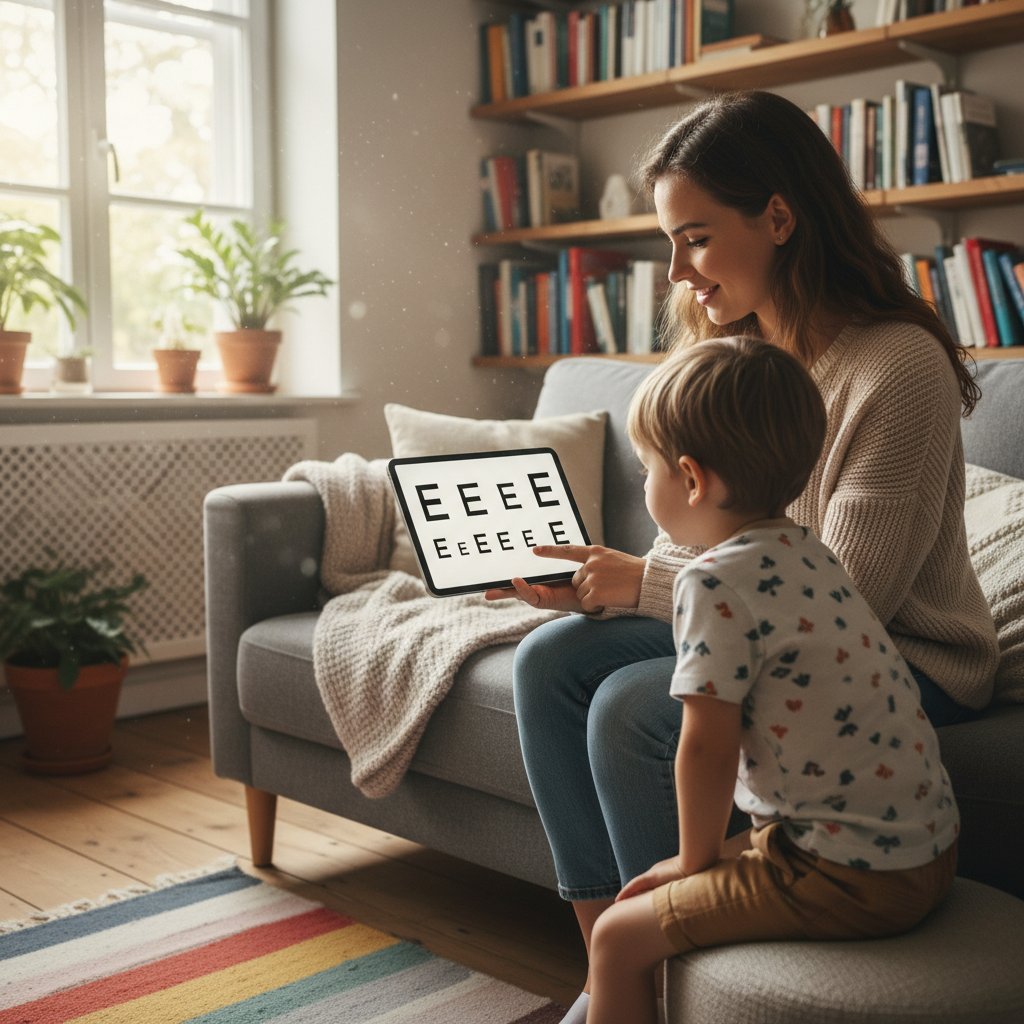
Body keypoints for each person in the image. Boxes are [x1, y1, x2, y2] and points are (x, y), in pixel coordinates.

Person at [484, 89, 998, 1024]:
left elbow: (850, 593)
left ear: (779, 216)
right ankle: (613, 977)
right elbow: (697, 533)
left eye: (695, 237)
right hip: (778, 625)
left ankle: (681, 978)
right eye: (671, 243)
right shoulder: (735, 347)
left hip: (900, 655)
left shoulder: (896, 366)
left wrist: (641, 585)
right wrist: (606, 584)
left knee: (636, 709)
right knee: (550, 662)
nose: (678, 272)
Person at [586, 335, 960, 1024]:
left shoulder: (712, 580)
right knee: (665, 891)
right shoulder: (807, 550)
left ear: (692, 480)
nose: (644, 486)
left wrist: (691, 861)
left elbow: (705, 743)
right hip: (926, 850)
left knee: (616, 933)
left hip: (849, 877)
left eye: (647, 470)